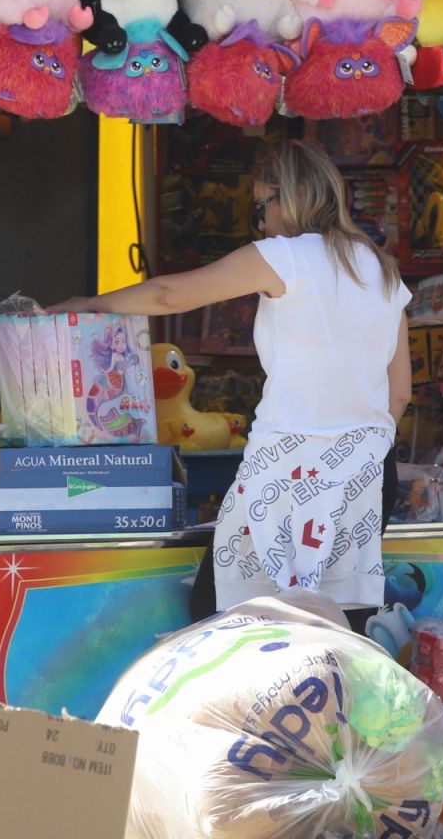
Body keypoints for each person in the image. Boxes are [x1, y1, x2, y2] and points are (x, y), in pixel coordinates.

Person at [52, 139, 411, 632]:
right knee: (337, 627)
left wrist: (88, 304)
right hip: (369, 471)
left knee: (227, 614)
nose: (260, 223)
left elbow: (167, 293)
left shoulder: (282, 257)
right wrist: (356, 448)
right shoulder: (379, 267)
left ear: (287, 199)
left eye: (261, 207)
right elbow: (399, 394)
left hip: (291, 466)